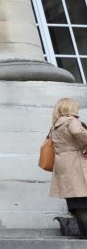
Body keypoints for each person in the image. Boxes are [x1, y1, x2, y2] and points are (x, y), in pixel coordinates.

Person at [48, 98, 87, 237]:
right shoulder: (71, 121)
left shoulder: (55, 126)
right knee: (83, 201)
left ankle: (84, 234)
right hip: (76, 163)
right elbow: (78, 133)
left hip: (63, 164)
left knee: (76, 203)